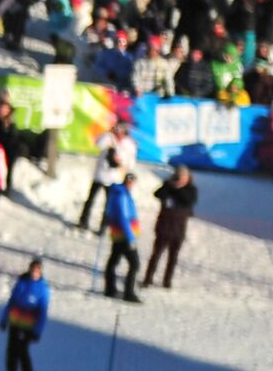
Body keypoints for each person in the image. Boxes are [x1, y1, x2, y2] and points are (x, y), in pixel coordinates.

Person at [142, 165, 196, 290]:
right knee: (156, 254)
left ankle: (167, 280)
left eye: (182, 177)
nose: (179, 179)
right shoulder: (168, 186)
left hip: (179, 229)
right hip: (164, 227)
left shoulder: (190, 190)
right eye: (177, 176)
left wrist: (178, 188)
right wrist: (170, 185)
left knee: (173, 257)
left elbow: (188, 200)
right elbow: (157, 194)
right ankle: (148, 278)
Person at [77, 121, 135, 234]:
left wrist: (120, 161)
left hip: (114, 178)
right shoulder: (108, 138)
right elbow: (98, 144)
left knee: (109, 204)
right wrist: (108, 135)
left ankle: (103, 227)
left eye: (121, 130)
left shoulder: (129, 145)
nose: (119, 133)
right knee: (90, 200)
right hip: (100, 175)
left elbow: (131, 163)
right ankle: (83, 222)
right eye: (117, 130)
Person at [0, 258, 49, 371]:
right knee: (11, 349)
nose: (34, 272)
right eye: (33, 269)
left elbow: (42, 312)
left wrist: (37, 331)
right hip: (15, 322)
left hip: (28, 326)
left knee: (22, 350)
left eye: (37, 270)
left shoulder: (43, 289)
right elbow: (11, 302)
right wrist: (4, 319)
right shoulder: (21, 283)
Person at [103, 172, 142, 303]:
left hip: (119, 233)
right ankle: (129, 293)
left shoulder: (117, 192)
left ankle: (110, 288)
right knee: (134, 264)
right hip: (124, 234)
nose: (132, 185)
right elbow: (123, 217)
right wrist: (130, 237)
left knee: (114, 260)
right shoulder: (122, 195)